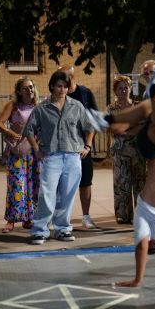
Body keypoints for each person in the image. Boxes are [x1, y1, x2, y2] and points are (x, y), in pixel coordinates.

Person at [86, 63, 155, 287]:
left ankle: (106, 120)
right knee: (152, 105)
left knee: (148, 108)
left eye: (153, 244)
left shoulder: (148, 216)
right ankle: (115, 115)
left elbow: (141, 245)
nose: (153, 242)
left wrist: (137, 280)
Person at [24, 70, 94, 244]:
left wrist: (87, 146)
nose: (62, 89)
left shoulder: (76, 106)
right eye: (59, 86)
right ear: (52, 87)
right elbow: (29, 130)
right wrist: (36, 149)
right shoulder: (42, 108)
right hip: (51, 157)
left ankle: (62, 229)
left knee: (67, 195)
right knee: (46, 194)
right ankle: (40, 230)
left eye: (65, 86)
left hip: (72, 156)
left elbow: (89, 127)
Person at [0, 77, 40, 233]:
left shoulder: (39, 106)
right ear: (19, 92)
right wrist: (9, 132)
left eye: (31, 87)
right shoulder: (13, 106)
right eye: (25, 88)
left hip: (34, 153)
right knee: (16, 185)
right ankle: (11, 220)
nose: (29, 90)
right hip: (17, 153)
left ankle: (28, 218)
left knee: (33, 186)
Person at [59, 66, 100, 230]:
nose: (61, 81)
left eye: (64, 77)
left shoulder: (85, 93)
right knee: (63, 184)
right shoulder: (59, 95)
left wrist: (88, 145)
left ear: (72, 77)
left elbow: (94, 120)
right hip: (63, 148)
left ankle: (86, 217)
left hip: (82, 149)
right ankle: (63, 218)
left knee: (85, 183)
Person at [107, 75, 145, 224]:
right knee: (121, 184)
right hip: (119, 152)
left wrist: (127, 130)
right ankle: (123, 214)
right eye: (120, 88)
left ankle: (141, 214)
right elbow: (112, 128)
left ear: (130, 89)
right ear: (115, 91)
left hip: (138, 151)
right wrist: (131, 128)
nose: (123, 91)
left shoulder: (137, 106)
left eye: (126, 88)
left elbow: (142, 126)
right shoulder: (111, 109)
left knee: (140, 184)